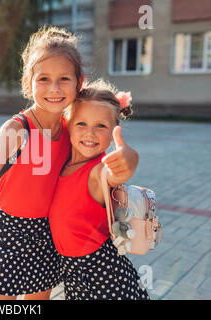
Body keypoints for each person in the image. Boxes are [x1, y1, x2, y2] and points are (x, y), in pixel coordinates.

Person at [0, 26, 139, 300]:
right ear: (28, 82)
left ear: (79, 82)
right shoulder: (18, 128)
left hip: (46, 234)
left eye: (64, 79)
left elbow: (105, 166)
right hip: (9, 231)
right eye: (43, 78)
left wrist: (127, 158)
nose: (54, 88)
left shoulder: (73, 130)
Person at [49, 79, 149, 300]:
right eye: (81, 124)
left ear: (114, 130)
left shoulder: (97, 170)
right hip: (74, 271)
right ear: (68, 124)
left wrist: (129, 158)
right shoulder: (63, 163)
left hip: (103, 274)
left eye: (101, 126)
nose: (90, 133)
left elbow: (116, 174)